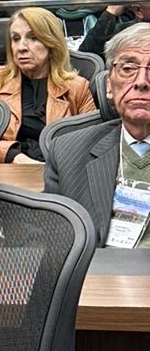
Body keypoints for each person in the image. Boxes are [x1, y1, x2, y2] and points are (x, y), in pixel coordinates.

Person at [44, 23, 150, 246]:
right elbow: (47, 235)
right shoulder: (68, 152)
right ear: (109, 85)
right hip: (96, 277)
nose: (141, 82)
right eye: (128, 69)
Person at [0, 8, 96, 164]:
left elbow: (93, 142)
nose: (21, 47)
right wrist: (12, 156)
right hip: (7, 172)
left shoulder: (77, 87)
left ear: (51, 44)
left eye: (33, 38)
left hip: (58, 172)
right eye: (16, 38)